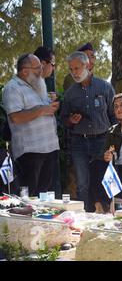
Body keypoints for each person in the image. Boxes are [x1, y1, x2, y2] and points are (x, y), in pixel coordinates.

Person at [61, 51, 116, 211]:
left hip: (103, 141)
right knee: (82, 184)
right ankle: (85, 217)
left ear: (88, 66)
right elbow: (64, 120)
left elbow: (114, 116)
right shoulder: (70, 93)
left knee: (106, 180)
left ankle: (109, 214)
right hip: (80, 142)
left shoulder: (105, 87)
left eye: (77, 68)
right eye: (71, 69)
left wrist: (113, 142)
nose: (74, 73)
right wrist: (71, 121)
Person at [2, 54, 60, 197]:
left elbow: (42, 110)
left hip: (49, 148)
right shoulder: (13, 88)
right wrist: (42, 110)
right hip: (30, 152)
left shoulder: (36, 84)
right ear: (25, 71)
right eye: (37, 67)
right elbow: (15, 117)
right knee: (29, 195)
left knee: (44, 196)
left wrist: (51, 106)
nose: (41, 70)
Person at [34, 46, 62, 197]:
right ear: (43, 64)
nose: (54, 68)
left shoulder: (42, 83)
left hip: (48, 146)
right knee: (33, 192)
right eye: (53, 64)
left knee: (44, 192)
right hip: (34, 148)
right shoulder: (26, 83)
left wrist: (49, 100)